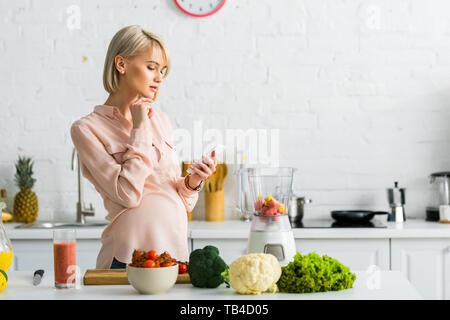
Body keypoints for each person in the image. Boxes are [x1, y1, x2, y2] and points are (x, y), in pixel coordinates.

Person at [70, 25, 216, 269]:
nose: (159, 78)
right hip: (128, 258)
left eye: (163, 70)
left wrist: (192, 182)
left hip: (174, 254)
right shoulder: (87, 129)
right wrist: (139, 127)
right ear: (121, 64)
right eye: (151, 67)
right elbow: (127, 195)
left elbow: (175, 195)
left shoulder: (161, 120)